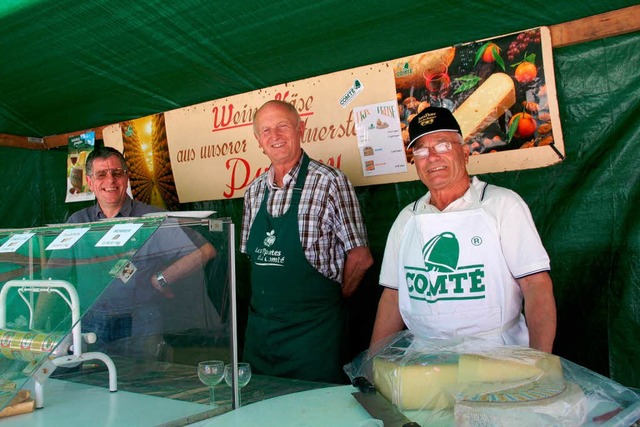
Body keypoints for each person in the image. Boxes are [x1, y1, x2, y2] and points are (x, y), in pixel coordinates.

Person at [370, 106, 556, 353]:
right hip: (425, 361)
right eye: (422, 150)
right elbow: (393, 297)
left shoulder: (502, 205)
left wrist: (540, 361)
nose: (433, 157)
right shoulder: (407, 218)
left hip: (499, 358)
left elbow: (535, 285)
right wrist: (371, 363)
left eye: (443, 145)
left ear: (465, 152)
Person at [40, 146, 217, 359]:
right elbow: (53, 278)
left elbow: (205, 251)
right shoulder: (77, 222)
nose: (110, 181)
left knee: (143, 383)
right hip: (90, 323)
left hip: (142, 320)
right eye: (101, 174)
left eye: (117, 173)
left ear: (127, 177)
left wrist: (161, 279)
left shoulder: (151, 218)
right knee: (92, 385)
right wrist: (35, 327)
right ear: (89, 181)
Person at [240, 100, 373, 383]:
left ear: (301, 129)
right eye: (265, 131)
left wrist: (331, 301)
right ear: (258, 141)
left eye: (282, 126)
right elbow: (253, 257)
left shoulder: (330, 181)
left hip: (315, 336)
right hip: (261, 336)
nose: (274, 136)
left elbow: (361, 258)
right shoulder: (253, 192)